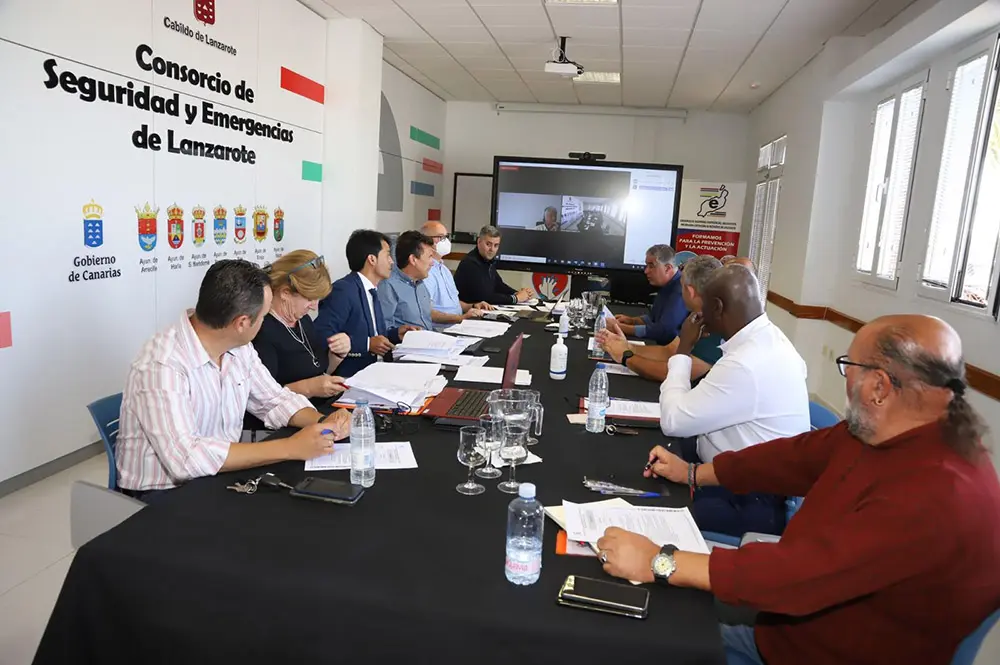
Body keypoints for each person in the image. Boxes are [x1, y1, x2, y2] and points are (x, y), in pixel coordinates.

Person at [596, 314, 1000, 665]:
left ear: (879, 386)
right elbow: (791, 459)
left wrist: (658, 561)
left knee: (621, 642)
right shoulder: (885, 431)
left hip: (805, 652)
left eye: (849, 367)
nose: (847, 381)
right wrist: (693, 474)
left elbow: (800, 574)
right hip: (781, 634)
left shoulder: (938, 497)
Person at [116, 260, 352, 499]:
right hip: (162, 494)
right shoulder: (162, 364)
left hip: (216, 477)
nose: (265, 323)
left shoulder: (239, 347)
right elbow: (186, 459)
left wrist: (323, 421)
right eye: (263, 316)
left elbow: (273, 399)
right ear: (242, 323)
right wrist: (290, 448)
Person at [659, 265, 810, 536]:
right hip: (732, 475)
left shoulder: (747, 363)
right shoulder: (772, 339)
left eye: (702, 308)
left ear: (716, 307)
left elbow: (672, 421)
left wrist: (683, 349)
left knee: (654, 518)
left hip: (746, 500)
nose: (698, 315)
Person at [597, 255, 723, 382]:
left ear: (690, 291)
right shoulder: (697, 315)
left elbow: (674, 374)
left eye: (682, 287)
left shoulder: (717, 324)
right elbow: (669, 351)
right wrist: (626, 347)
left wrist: (626, 357)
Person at [252, 250, 351, 406]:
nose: (314, 307)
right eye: (310, 299)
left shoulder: (303, 320)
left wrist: (337, 355)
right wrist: (309, 388)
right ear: (285, 293)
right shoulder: (262, 331)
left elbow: (321, 373)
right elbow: (261, 399)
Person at [315, 230, 417, 378]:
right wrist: (366, 344)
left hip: (379, 371)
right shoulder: (343, 290)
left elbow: (370, 333)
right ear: (372, 259)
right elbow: (323, 336)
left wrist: (396, 334)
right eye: (387, 255)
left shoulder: (372, 289)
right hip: (352, 377)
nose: (391, 261)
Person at [419, 221, 493, 329]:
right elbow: (428, 312)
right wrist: (461, 318)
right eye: (440, 237)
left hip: (457, 325)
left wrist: (472, 306)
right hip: (441, 331)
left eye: (446, 237)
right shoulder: (426, 272)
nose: (445, 241)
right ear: (424, 241)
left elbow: (453, 302)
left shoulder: (444, 270)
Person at [613, 244, 688, 345]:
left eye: (651, 266)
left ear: (667, 268)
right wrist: (631, 320)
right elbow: (653, 318)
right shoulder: (667, 285)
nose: (646, 271)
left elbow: (663, 331)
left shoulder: (680, 290)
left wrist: (619, 328)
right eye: (646, 265)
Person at [455, 225, 533, 305]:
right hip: (467, 312)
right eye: (488, 244)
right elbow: (485, 296)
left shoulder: (487, 261)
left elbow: (498, 285)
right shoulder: (470, 263)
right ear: (479, 242)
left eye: (496, 245)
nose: (492, 249)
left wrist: (518, 293)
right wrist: (515, 298)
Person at [377, 230, 436, 331]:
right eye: (430, 257)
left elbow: (427, 322)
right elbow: (383, 328)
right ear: (413, 259)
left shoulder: (420, 284)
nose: (432, 263)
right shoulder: (388, 286)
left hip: (429, 340)